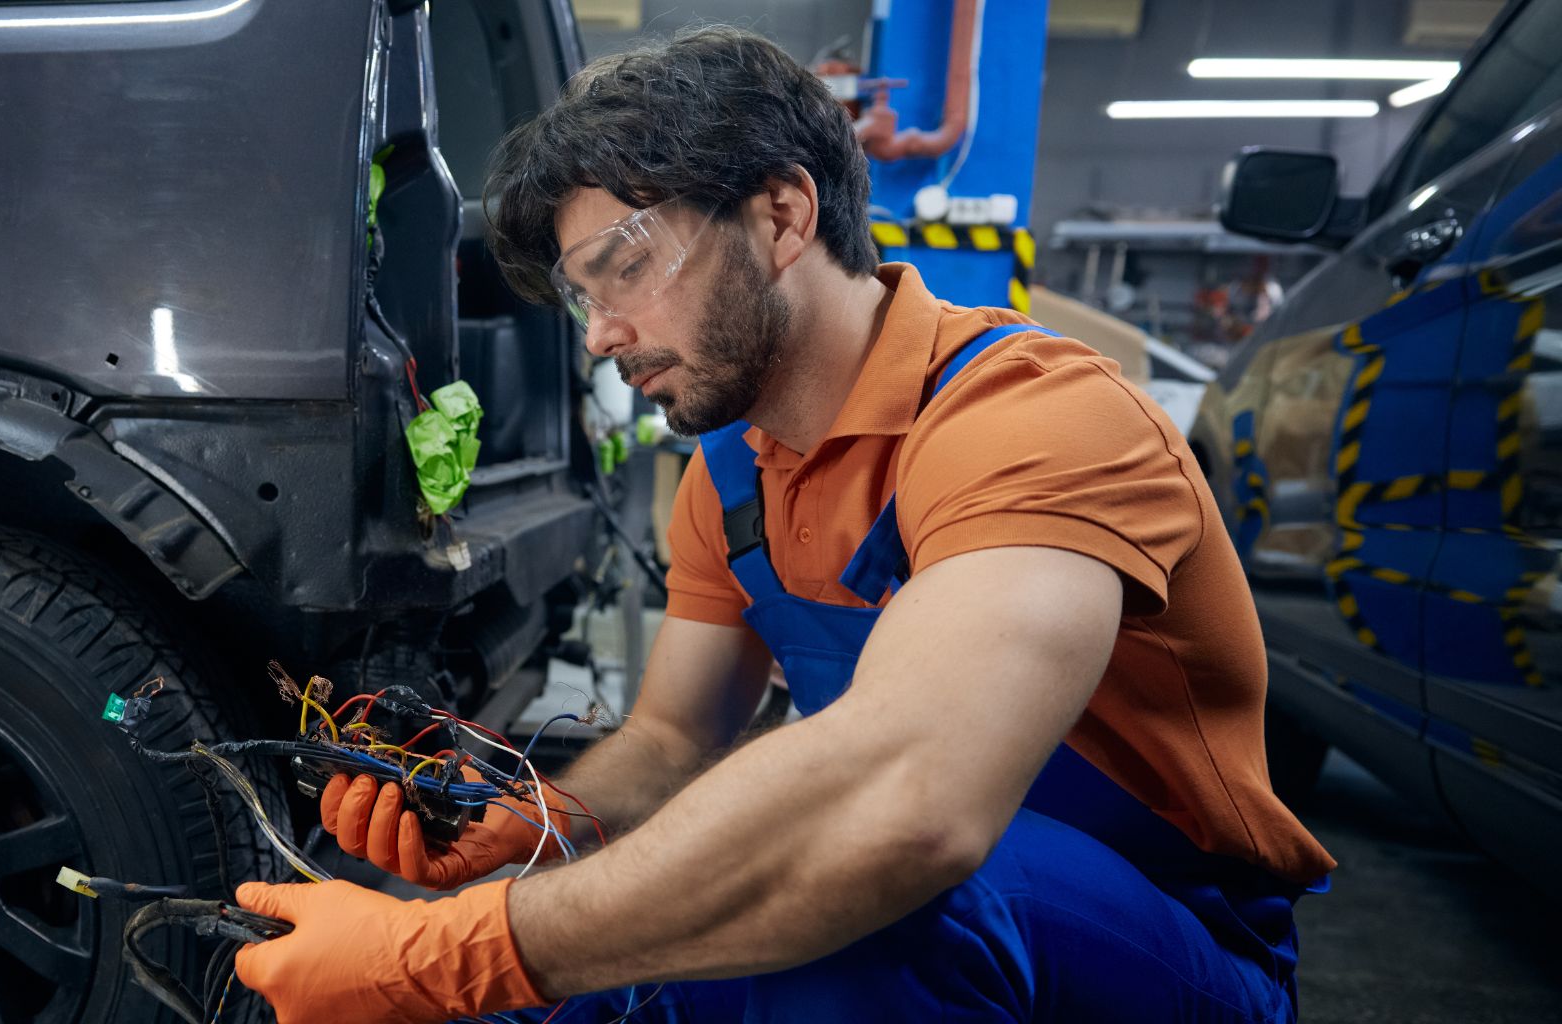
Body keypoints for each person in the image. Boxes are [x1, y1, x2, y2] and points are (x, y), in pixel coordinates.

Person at [230, 26, 1334, 1024]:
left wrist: (442, 953)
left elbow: (913, 803)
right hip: (946, 902)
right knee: (606, 972)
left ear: (780, 214)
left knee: (866, 888)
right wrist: (533, 819)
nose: (601, 337)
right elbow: (669, 743)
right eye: (581, 298)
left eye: (622, 266)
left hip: (1173, 954)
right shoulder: (734, 475)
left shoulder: (1035, 418)